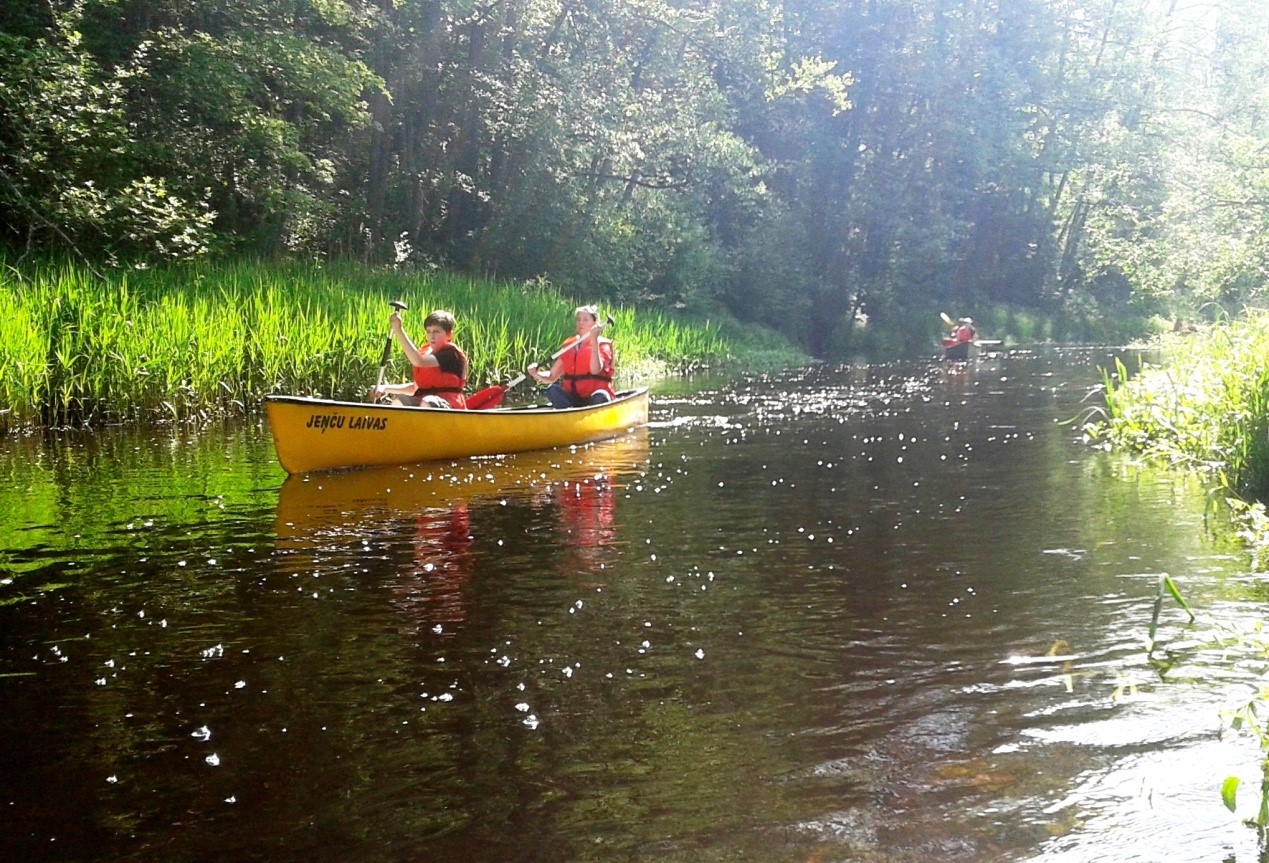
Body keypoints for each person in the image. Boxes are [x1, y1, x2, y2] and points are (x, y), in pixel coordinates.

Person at [371, 309, 468, 408]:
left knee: (428, 401)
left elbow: (418, 361)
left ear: (449, 335)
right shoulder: (426, 352)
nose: (432, 336)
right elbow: (414, 388)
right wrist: (384, 388)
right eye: (428, 332)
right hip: (424, 402)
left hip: (449, 406)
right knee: (400, 400)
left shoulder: (450, 354)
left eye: (436, 331)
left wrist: (398, 330)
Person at [527, 305, 615, 408]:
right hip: (573, 400)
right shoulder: (569, 345)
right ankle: (569, 415)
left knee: (601, 395)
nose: (580, 323)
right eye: (578, 319)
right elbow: (551, 376)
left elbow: (595, 370)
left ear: (595, 323)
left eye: (585, 320)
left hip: (595, 399)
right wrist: (536, 374)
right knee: (552, 389)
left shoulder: (602, 344)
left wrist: (594, 340)